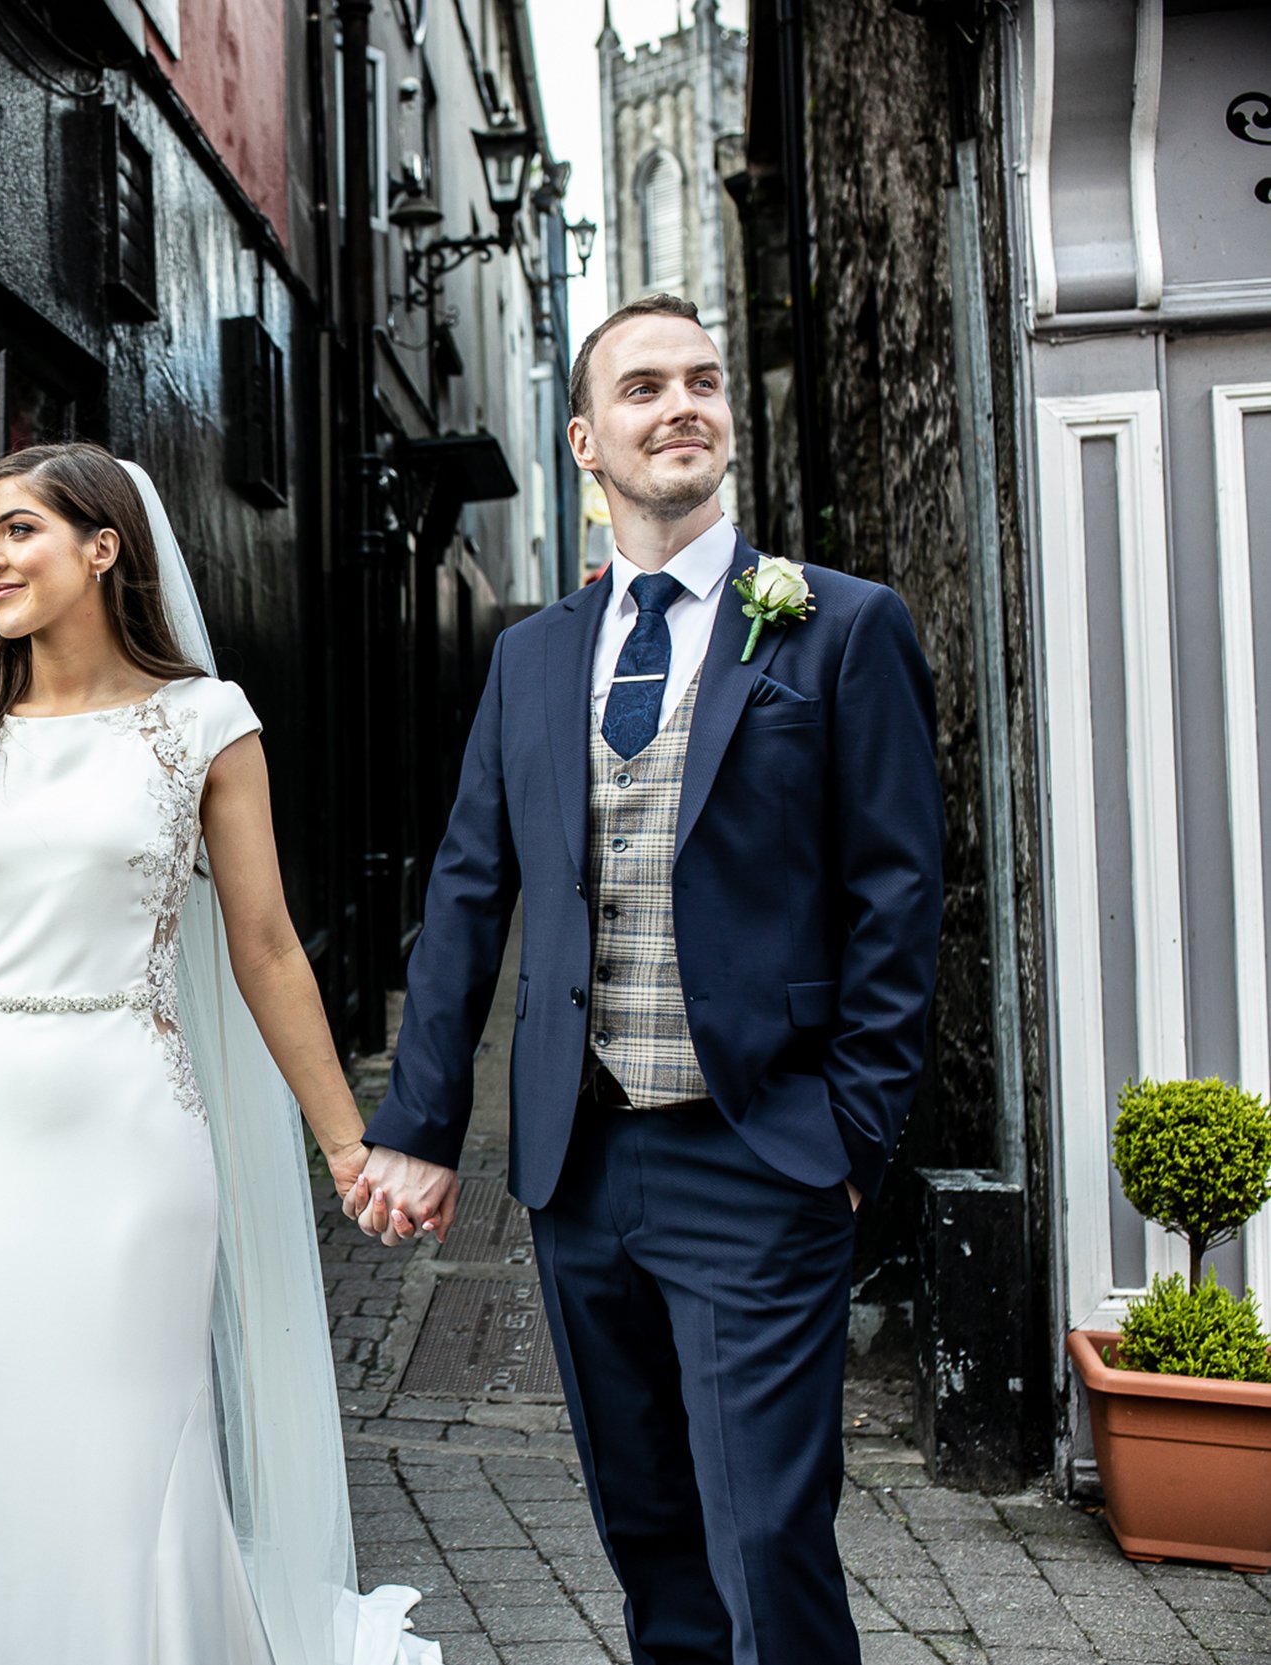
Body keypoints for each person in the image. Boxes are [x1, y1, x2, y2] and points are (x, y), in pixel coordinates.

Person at [351, 292, 944, 1665]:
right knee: (651, 1540)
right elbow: (467, 892)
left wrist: (850, 1137)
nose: (682, 404)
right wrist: (421, 1130)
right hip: (579, 1168)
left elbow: (898, 899)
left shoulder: (838, 629)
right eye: (643, 388)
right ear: (585, 442)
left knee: (767, 1538)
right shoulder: (532, 657)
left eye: (704, 381)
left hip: (762, 1151)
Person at [0, 441, 436, 1664]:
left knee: (135, 1448)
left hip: (133, 1136)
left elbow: (263, 950)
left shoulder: (203, 723)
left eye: (20, 529)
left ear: (103, 549)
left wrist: (348, 1144)